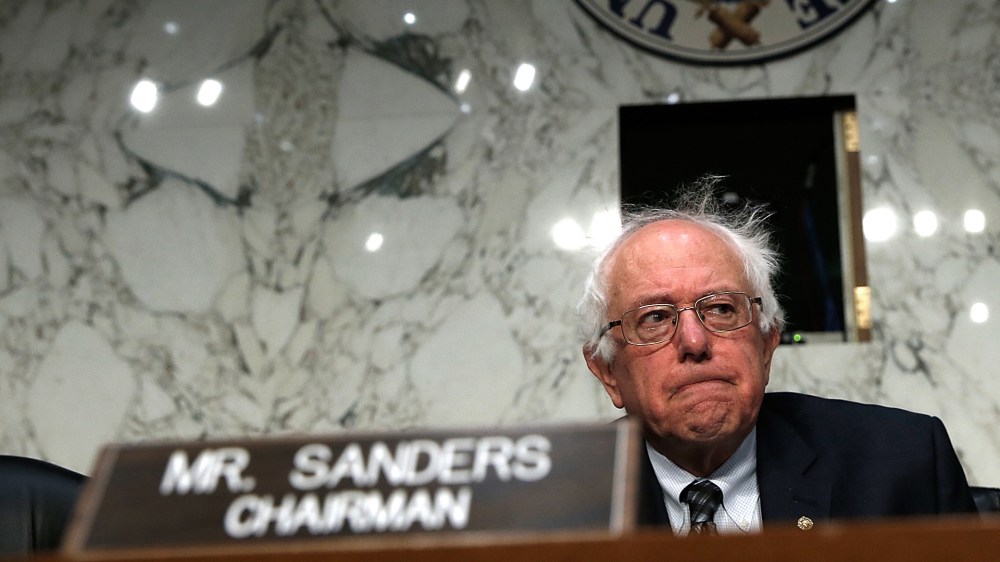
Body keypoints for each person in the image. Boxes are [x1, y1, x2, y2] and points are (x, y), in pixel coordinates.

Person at [579, 178, 976, 535]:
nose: (695, 341)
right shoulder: (557, 505)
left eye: (721, 309)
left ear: (767, 343)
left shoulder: (903, 463)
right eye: (655, 318)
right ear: (607, 371)